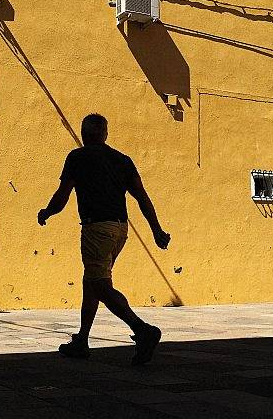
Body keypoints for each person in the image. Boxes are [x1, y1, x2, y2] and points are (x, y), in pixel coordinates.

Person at [38, 113, 171, 365]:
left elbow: (62, 195)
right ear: (105, 134)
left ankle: (143, 330)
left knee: (100, 286)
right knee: (92, 282)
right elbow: (142, 197)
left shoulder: (77, 157)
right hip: (120, 230)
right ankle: (82, 340)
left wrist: (46, 212)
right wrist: (156, 230)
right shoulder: (123, 160)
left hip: (96, 228)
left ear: (84, 134)